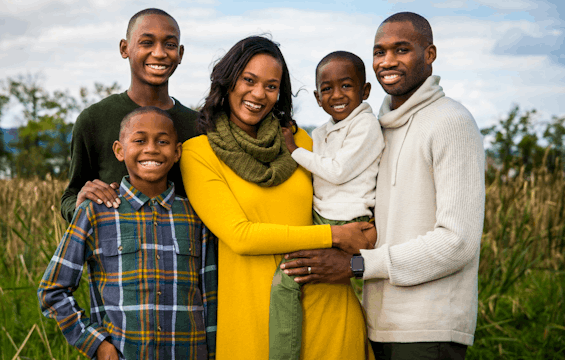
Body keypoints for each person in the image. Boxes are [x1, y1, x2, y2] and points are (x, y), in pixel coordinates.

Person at [283, 12, 486, 360]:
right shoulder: (376, 128)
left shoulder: (451, 122)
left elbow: (458, 241)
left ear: (430, 54)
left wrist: (358, 265)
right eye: (379, 52)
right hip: (377, 321)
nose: (387, 61)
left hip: (428, 329)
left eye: (402, 50)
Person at [179, 36, 375, 360]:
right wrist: (334, 235)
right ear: (228, 80)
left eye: (271, 86)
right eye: (249, 80)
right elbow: (241, 236)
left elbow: (350, 199)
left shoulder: (298, 140)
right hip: (253, 319)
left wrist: (363, 243)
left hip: (329, 308)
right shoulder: (198, 153)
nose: (259, 94)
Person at [38, 107, 217, 360]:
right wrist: (96, 344)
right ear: (119, 150)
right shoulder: (95, 213)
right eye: (140, 140)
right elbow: (52, 290)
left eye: (163, 141)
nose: (152, 149)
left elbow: (212, 295)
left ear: (177, 152)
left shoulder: (196, 214)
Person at [271, 51, 384, 359]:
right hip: (322, 219)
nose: (337, 95)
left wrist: (293, 148)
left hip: (344, 223)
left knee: (286, 283)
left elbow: (335, 171)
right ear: (319, 98)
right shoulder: (322, 132)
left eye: (346, 86)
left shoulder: (366, 127)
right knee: (304, 285)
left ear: (365, 91)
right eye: (327, 89)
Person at [60, 8, 198, 223]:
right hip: (113, 251)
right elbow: (71, 194)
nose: (160, 53)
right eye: (147, 43)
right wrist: (80, 204)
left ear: (180, 54)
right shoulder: (94, 120)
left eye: (169, 45)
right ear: (125, 48)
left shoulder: (197, 126)